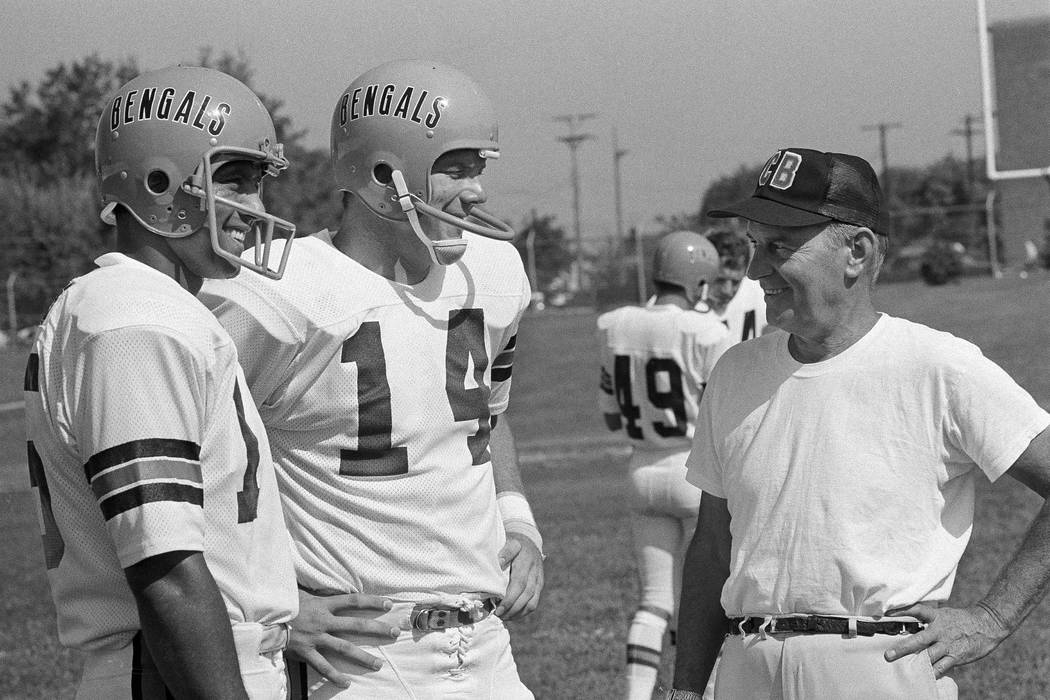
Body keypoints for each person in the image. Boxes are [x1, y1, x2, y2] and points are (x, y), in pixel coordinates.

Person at [200, 59, 543, 699]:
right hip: (361, 659)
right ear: (388, 175)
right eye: (458, 167)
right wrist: (272, 603)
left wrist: (518, 521)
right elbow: (200, 457)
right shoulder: (278, 292)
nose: (478, 192)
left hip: (489, 647)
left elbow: (490, 415)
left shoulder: (495, 273)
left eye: (480, 168)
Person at [669, 147, 1050, 700]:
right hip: (745, 669)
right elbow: (710, 548)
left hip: (879, 666)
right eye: (754, 246)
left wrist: (993, 617)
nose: (755, 271)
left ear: (857, 250)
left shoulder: (938, 366)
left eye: (779, 246)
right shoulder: (735, 372)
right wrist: (684, 690)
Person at [22, 66, 301, 699]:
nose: (255, 208)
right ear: (160, 183)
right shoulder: (137, 320)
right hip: (173, 676)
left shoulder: (143, 307)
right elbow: (166, 567)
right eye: (235, 180)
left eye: (258, 183)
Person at [598, 231, 733, 700]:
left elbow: (612, 415)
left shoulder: (616, 324)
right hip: (696, 474)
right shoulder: (707, 331)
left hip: (641, 471)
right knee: (706, 607)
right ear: (698, 283)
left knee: (654, 602)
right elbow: (728, 414)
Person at [701, 227, 769, 341]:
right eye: (720, 280)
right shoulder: (683, 305)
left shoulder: (762, 294)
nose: (727, 291)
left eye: (736, 282)